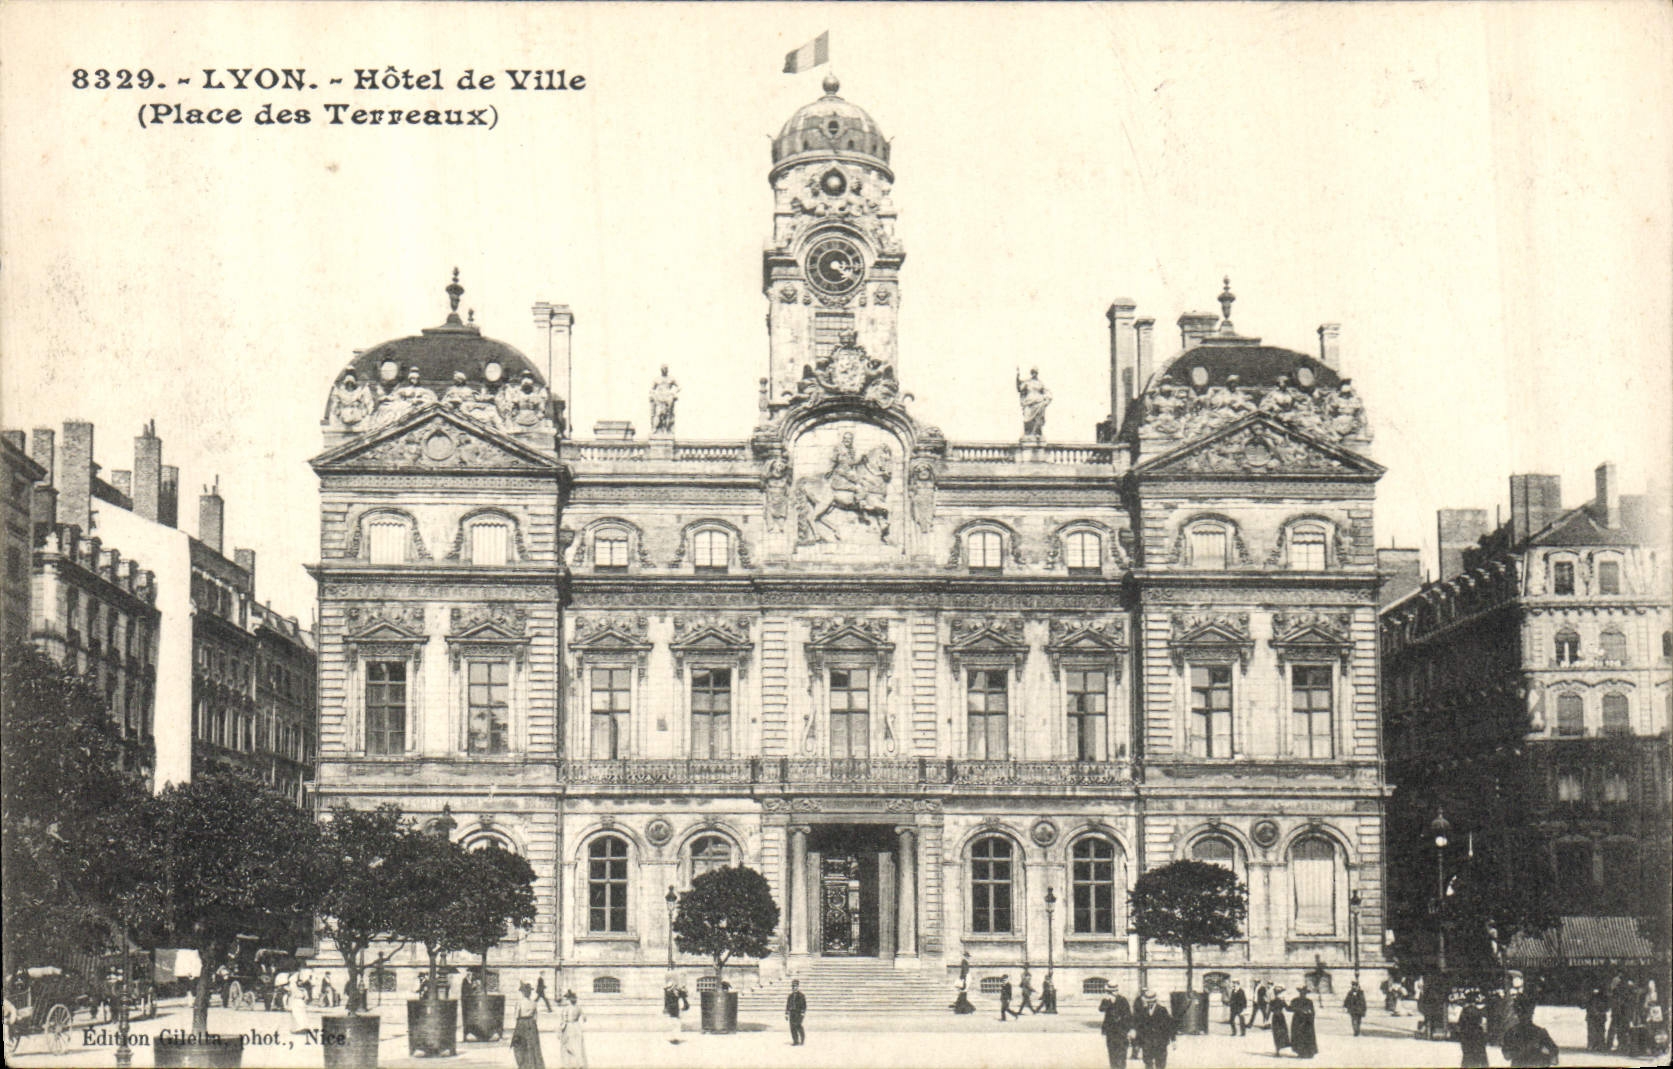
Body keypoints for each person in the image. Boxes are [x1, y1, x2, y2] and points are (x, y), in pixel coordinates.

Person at [1134, 991, 1176, 1069]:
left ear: (1155, 1000)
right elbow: (1140, 1029)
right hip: (1147, 1044)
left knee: (1160, 1065)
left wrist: (1173, 1040)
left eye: (1151, 1001)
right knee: (1148, 1064)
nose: (1150, 1003)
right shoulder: (1143, 1011)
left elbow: (1169, 1026)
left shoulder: (1162, 1010)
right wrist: (1137, 1043)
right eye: (1148, 1001)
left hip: (1160, 1044)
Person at [511, 980, 545, 1069]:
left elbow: (516, 1016)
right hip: (532, 1024)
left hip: (521, 1024)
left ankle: (523, 1065)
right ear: (530, 992)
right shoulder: (534, 1003)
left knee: (519, 1045)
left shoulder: (519, 1003)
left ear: (523, 993)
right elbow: (535, 1017)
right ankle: (534, 1065)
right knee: (533, 1045)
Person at [1098, 984, 1133, 1067]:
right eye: (1112, 991)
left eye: (1116, 990)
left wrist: (1129, 1029)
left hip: (1122, 1030)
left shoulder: (1122, 1000)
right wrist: (1107, 1001)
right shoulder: (1106, 1000)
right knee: (1112, 1053)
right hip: (1110, 1031)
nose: (1115, 992)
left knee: (1122, 1054)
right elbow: (1101, 1009)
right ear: (1109, 992)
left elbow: (1128, 1015)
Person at [1456, 991, 1489, 1069]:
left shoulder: (1464, 1011)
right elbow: (1482, 1025)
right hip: (1477, 1036)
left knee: (1467, 1057)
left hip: (1466, 1036)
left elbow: (1459, 1025)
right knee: (1478, 1058)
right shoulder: (1478, 1011)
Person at [558, 990, 587, 1069]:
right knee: (577, 1045)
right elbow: (584, 1018)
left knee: (566, 1045)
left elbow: (563, 1021)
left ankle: (567, 1065)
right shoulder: (579, 1008)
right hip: (577, 1026)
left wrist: (560, 1031)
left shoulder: (566, 1008)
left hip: (569, 1026)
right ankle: (579, 1064)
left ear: (568, 1000)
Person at [1289, 987, 1318, 1059]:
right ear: (1300, 993)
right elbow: (1290, 1008)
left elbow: (1313, 1011)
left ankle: (1308, 1052)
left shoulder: (1309, 1001)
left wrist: (1310, 1015)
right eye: (1302, 993)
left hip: (1307, 1021)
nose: (1303, 994)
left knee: (1307, 1036)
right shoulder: (1295, 1000)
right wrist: (1299, 1010)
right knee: (1298, 1036)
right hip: (1297, 1020)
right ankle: (1300, 1052)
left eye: (1304, 993)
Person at [1585, 987, 1609, 1052]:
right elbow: (1586, 1004)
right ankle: (1593, 1045)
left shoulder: (1604, 997)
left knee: (1600, 1031)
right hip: (1592, 1015)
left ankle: (1599, 1045)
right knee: (1592, 1030)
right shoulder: (1590, 996)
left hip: (1600, 1015)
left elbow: (1607, 1007)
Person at [785, 978, 807, 1046]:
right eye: (793, 986)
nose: (794, 988)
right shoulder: (790, 996)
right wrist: (786, 1013)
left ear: (798, 987)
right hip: (792, 1013)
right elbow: (788, 1005)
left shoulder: (801, 995)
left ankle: (802, 1039)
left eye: (795, 986)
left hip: (799, 1013)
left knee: (798, 1025)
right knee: (792, 1027)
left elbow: (804, 1004)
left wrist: (803, 1012)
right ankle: (795, 1041)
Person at [1270, 986, 1291, 1055]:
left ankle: (1277, 1049)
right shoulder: (1282, 1001)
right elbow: (1288, 1008)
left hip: (1275, 1017)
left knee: (1276, 1033)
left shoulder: (1272, 1001)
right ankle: (1282, 1046)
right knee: (1282, 1032)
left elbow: (1270, 1010)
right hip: (1280, 1017)